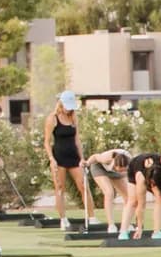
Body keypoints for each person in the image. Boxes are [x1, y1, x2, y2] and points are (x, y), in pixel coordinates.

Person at [43, 90, 88, 229]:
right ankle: (63, 219)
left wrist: (82, 158)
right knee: (60, 188)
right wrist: (52, 159)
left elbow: (77, 140)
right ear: (61, 104)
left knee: (83, 185)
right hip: (59, 157)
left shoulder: (74, 118)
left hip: (73, 157)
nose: (69, 109)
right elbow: (46, 141)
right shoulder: (53, 118)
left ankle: (90, 217)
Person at [117, 152, 161, 241]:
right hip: (135, 166)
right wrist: (139, 228)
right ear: (150, 180)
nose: (152, 187)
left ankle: (157, 232)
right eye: (152, 184)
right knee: (133, 201)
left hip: (152, 168)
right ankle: (123, 232)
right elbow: (141, 207)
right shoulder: (141, 179)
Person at [85, 149, 131, 228]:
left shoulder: (131, 162)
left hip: (115, 172)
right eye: (120, 169)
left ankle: (126, 223)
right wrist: (87, 163)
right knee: (109, 193)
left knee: (128, 197)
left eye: (124, 170)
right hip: (99, 168)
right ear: (115, 165)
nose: (122, 171)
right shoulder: (107, 158)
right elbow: (95, 156)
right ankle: (111, 225)